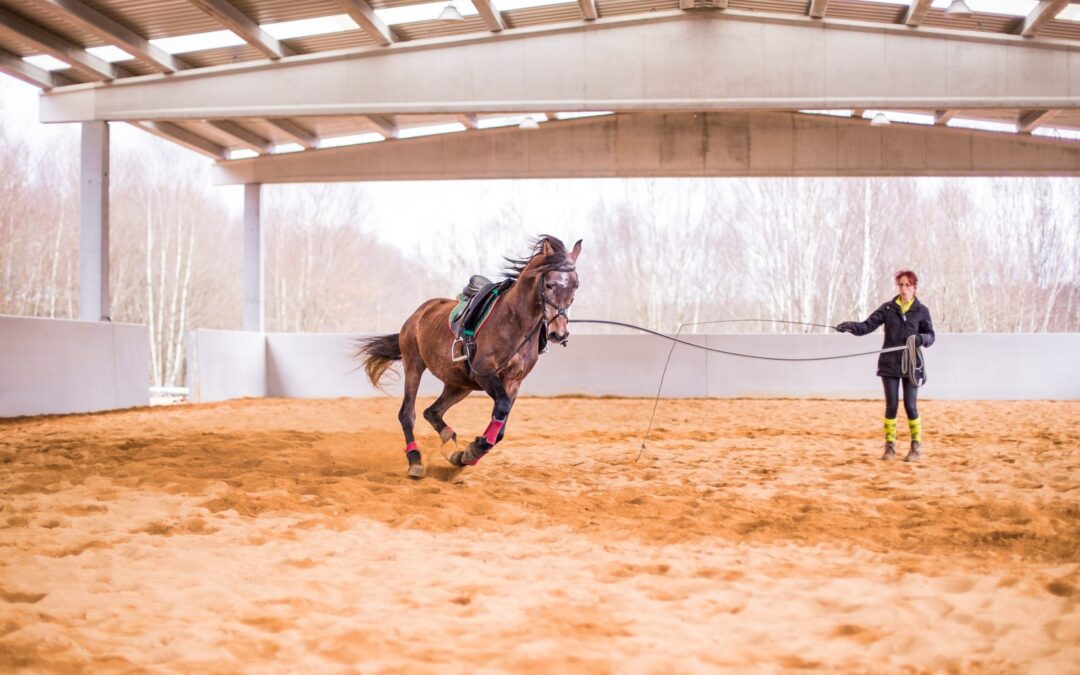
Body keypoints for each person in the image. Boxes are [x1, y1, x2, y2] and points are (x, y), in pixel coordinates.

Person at [836, 270, 935, 462]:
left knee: (910, 406)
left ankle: (916, 448)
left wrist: (920, 338)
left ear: (915, 287)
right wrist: (849, 326)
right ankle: (890, 448)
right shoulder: (888, 308)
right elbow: (867, 326)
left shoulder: (922, 311)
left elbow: (931, 335)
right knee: (891, 406)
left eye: (908, 285)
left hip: (911, 364)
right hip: (889, 364)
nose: (904, 289)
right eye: (901, 285)